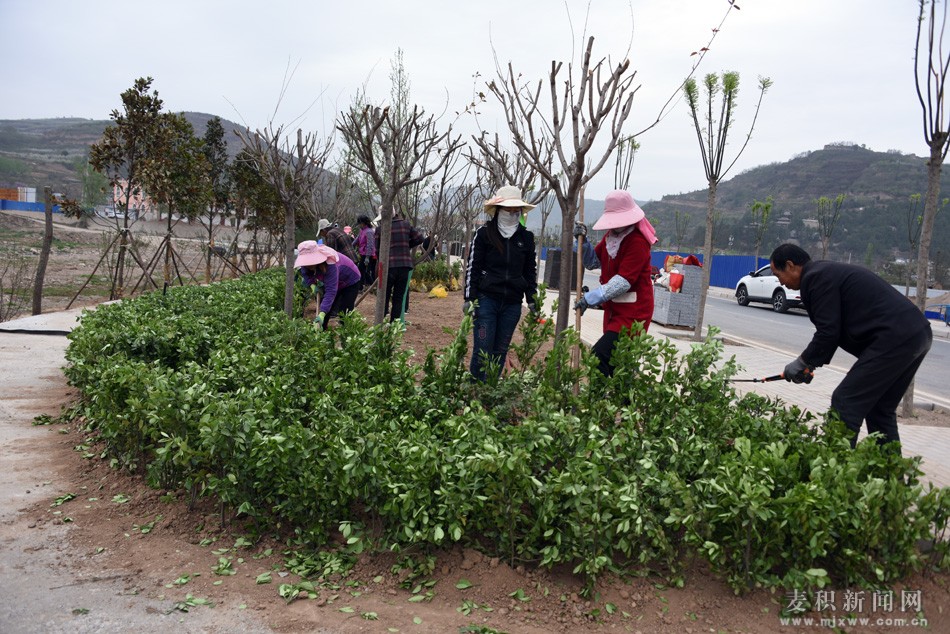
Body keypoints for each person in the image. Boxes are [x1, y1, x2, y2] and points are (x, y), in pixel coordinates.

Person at [769, 243, 933, 449]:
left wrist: (802, 362)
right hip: (916, 333)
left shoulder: (815, 278)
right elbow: (833, 331)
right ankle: (891, 468)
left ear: (790, 265)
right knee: (880, 409)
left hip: (895, 337)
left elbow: (828, 332)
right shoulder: (824, 272)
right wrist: (810, 364)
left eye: (778, 275)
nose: (780, 282)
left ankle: (838, 465)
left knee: (845, 401)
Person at [573, 190, 657, 377]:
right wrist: (583, 243)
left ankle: (598, 395)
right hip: (615, 310)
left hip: (634, 313)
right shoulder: (611, 238)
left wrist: (590, 298)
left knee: (600, 356)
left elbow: (623, 282)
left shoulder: (637, 241)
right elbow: (593, 262)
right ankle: (620, 396)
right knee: (618, 365)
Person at [464, 185, 538, 382]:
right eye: (508, 210)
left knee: (500, 350)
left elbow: (530, 271)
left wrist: (532, 299)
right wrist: (469, 298)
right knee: (483, 347)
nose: (512, 214)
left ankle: (490, 388)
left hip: (512, 304)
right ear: (498, 210)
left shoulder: (526, 238)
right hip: (486, 300)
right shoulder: (484, 234)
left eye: (516, 210)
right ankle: (475, 387)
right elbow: (473, 267)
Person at [294, 240, 361, 329]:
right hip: (336, 280)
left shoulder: (330, 265)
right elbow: (305, 273)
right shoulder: (306, 265)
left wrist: (322, 314)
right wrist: (312, 284)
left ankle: (346, 332)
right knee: (325, 306)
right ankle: (321, 329)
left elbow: (331, 291)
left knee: (344, 310)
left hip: (350, 280)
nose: (308, 266)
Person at [375, 209, 424, 322]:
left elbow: (377, 250)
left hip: (388, 267)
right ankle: (394, 325)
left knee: (384, 296)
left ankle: (381, 323)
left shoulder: (380, 229)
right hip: (404, 266)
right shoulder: (406, 224)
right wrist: (407, 245)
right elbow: (420, 238)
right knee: (398, 298)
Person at [355, 214, 377, 287]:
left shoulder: (369, 232)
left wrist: (367, 257)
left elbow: (370, 245)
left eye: (359, 223)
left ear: (363, 223)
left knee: (362, 270)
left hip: (368, 254)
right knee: (362, 270)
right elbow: (357, 239)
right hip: (363, 253)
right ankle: (369, 285)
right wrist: (351, 245)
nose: (359, 225)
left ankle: (366, 285)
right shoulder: (362, 230)